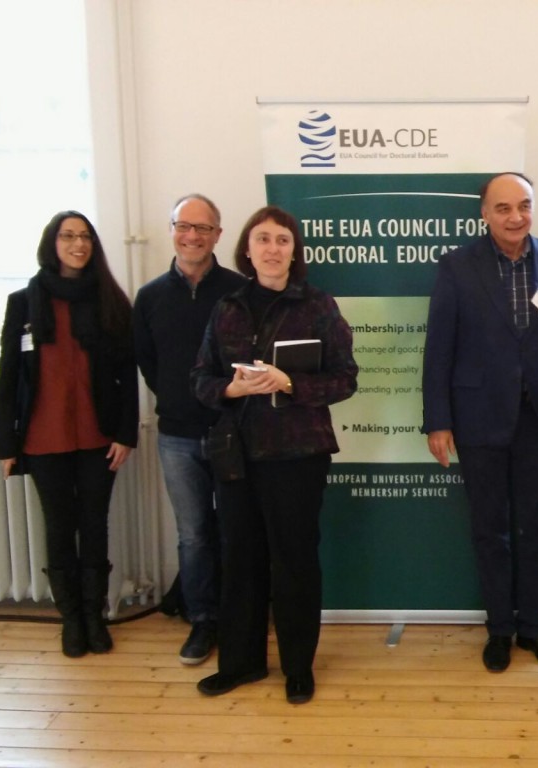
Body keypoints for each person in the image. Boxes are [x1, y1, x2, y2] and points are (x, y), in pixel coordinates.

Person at [191, 205, 357, 704]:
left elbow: (345, 379)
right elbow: (200, 379)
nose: (272, 248)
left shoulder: (318, 305)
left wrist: (291, 383)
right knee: (240, 560)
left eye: (282, 240)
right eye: (263, 239)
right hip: (237, 454)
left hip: (298, 455)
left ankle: (297, 667)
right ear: (247, 249)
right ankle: (240, 664)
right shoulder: (227, 307)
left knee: (295, 562)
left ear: (294, 251)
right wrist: (232, 390)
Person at [422, 172, 538, 673]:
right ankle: (499, 629)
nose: (516, 217)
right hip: (479, 418)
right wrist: (437, 421)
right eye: (504, 208)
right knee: (490, 530)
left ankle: (535, 627)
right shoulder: (457, 265)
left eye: (524, 205)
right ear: (485, 214)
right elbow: (439, 348)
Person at [0, 210, 138, 658]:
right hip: (42, 437)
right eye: (68, 236)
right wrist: (4, 442)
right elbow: (8, 375)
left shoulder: (110, 300)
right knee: (58, 526)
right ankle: (70, 619)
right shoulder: (23, 302)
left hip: (99, 436)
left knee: (94, 525)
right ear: (52, 243)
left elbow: (127, 376)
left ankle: (94, 616)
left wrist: (126, 433)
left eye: (86, 236)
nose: (78, 244)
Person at [133, 194, 247, 666]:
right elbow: (149, 363)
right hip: (177, 436)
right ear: (172, 230)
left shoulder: (239, 291)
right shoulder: (150, 297)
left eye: (203, 228)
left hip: (232, 430)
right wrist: (179, 399)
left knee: (238, 529)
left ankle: (238, 615)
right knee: (194, 534)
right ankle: (202, 619)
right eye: (185, 226)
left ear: (218, 235)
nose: (193, 236)